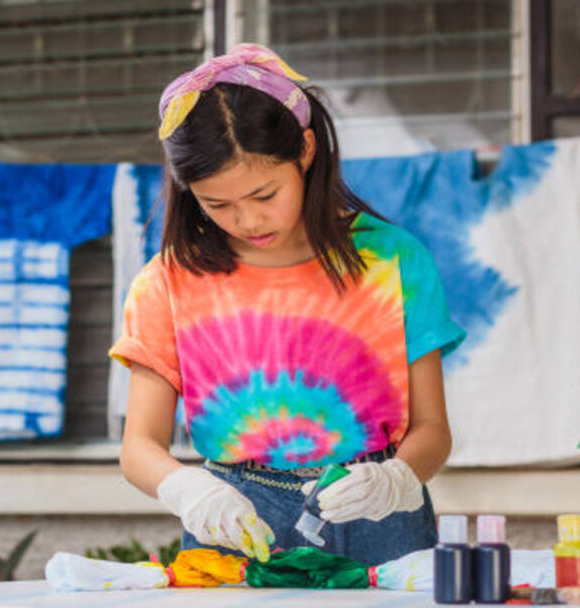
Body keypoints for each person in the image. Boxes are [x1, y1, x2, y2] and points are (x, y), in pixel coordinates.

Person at [109, 43, 466, 566]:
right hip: (233, 518)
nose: (248, 221)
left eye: (263, 195)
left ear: (304, 150)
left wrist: (396, 479)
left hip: (376, 511)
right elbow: (138, 445)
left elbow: (432, 429)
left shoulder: (393, 259)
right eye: (218, 205)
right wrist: (188, 489)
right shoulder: (168, 281)